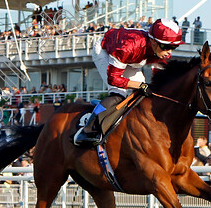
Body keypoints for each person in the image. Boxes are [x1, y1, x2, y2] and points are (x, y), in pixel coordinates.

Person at [73, 19, 183, 147]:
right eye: (166, 47)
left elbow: (161, 76)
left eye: (173, 47)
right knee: (118, 93)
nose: (169, 52)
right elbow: (113, 79)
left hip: (132, 59)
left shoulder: (160, 49)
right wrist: (139, 85)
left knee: (143, 95)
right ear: (153, 41)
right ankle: (88, 129)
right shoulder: (128, 47)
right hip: (106, 51)